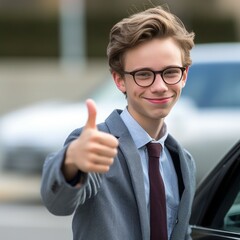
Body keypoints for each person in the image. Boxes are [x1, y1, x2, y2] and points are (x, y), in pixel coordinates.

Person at [40, 6, 196, 240]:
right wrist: (71, 161)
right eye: (144, 74)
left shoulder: (184, 162)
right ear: (120, 80)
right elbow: (58, 203)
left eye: (170, 72)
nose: (160, 86)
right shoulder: (97, 145)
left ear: (184, 75)